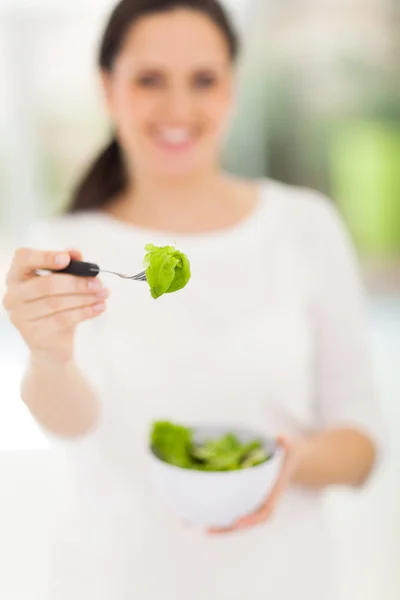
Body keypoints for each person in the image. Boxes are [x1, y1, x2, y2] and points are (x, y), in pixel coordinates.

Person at [2, 1, 383, 599]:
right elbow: (74, 424)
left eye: (203, 80)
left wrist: (287, 464)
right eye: (149, 79)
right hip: (116, 578)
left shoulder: (305, 226)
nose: (179, 109)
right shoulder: (63, 248)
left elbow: (361, 446)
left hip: (284, 581)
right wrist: (49, 357)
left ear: (232, 87)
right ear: (108, 88)